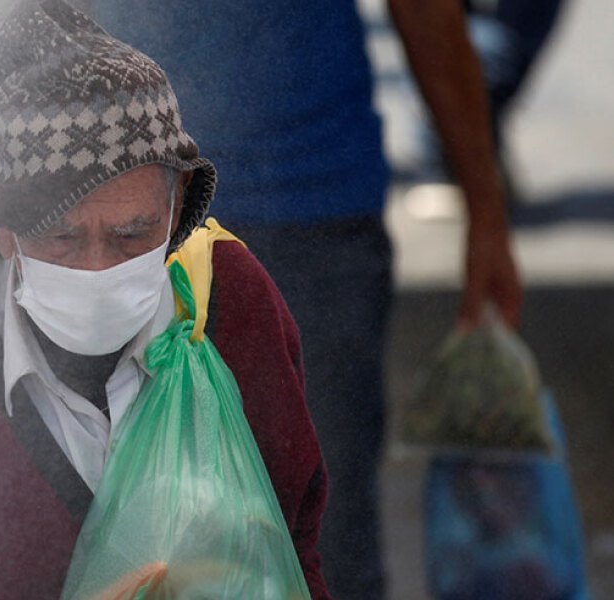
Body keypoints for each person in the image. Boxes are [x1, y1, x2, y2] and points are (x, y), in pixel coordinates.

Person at [0, 1, 333, 598]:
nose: (98, 267)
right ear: (1, 232)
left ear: (178, 213)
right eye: (62, 238)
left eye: (131, 235)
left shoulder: (232, 310)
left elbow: (290, 542)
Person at [85, 1, 523, 599]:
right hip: (130, 222)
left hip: (304, 217)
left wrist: (486, 210)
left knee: (321, 546)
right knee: (122, 549)